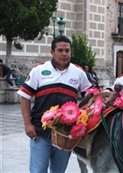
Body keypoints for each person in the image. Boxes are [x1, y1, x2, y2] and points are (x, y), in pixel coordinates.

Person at [17, 35, 92, 173]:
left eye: (67, 50)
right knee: (38, 170)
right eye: (60, 50)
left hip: (65, 134)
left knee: (58, 171)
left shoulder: (78, 72)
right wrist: (28, 124)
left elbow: (91, 96)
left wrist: (81, 119)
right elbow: (25, 96)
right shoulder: (39, 70)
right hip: (40, 132)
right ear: (52, 52)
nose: (64, 54)